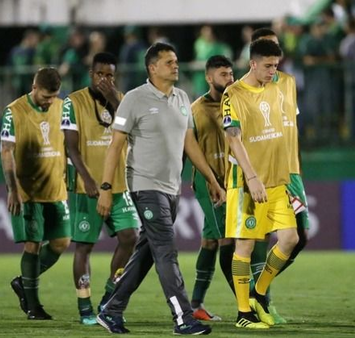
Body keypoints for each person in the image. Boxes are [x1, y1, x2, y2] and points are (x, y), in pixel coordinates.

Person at [94, 42, 224, 335]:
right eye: (169, 62)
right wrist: (105, 187)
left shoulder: (181, 98)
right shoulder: (134, 100)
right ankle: (183, 317)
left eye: (176, 61)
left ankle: (111, 309)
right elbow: (115, 145)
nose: (175, 66)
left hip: (171, 188)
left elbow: (190, 144)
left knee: (147, 254)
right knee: (166, 250)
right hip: (145, 186)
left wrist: (212, 180)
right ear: (152, 68)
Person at [222, 38, 299, 330]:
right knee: (244, 245)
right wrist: (252, 177)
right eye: (267, 66)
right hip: (247, 181)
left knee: (290, 238)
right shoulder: (234, 93)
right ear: (252, 63)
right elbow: (233, 137)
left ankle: (259, 293)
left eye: (276, 65)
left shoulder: (275, 88)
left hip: (277, 180)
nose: (272, 71)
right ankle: (244, 312)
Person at [61, 52, 139, 325]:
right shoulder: (73, 102)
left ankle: (109, 294)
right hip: (87, 187)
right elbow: (70, 147)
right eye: (100, 74)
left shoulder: (123, 100)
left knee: (130, 237)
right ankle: (84, 305)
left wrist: (118, 101)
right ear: (90, 74)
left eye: (110, 75)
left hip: (119, 184)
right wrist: (88, 179)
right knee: (84, 246)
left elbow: (134, 131)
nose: (105, 79)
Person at [247, 27, 309, 325]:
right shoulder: (247, 88)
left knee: (299, 236)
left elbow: (289, 128)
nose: (274, 58)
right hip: (261, 171)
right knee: (257, 239)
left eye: (277, 50)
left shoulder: (288, 83)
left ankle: (258, 292)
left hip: (291, 170)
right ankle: (260, 302)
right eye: (268, 51)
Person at [0, 67, 70, 320]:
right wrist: (12, 189)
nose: (49, 101)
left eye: (53, 97)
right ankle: (33, 306)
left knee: (62, 242)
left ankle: (23, 282)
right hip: (27, 191)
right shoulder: (14, 111)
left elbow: (69, 142)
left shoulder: (62, 107)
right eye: (45, 97)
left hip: (56, 189)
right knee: (33, 244)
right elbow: (6, 151)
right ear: (34, 87)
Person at [189, 55, 235, 321]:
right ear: (209, 78)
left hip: (233, 183)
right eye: (222, 74)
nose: (229, 79)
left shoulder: (237, 103)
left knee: (209, 240)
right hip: (209, 183)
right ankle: (248, 301)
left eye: (230, 74)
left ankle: (195, 304)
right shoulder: (196, 110)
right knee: (226, 239)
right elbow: (187, 147)